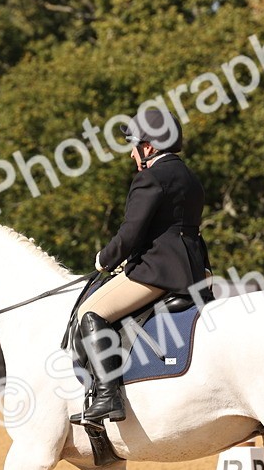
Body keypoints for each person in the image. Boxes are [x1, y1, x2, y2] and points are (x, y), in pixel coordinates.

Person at [70, 108, 209, 427]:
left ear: (148, 147)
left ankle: (108, 396)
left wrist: (105, 259)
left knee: (91, 313)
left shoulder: (149, 177)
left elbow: (131, 232)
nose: (132, 153)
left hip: (159, 271)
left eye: (134, 145)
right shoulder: (189, 176)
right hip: (195, 269)